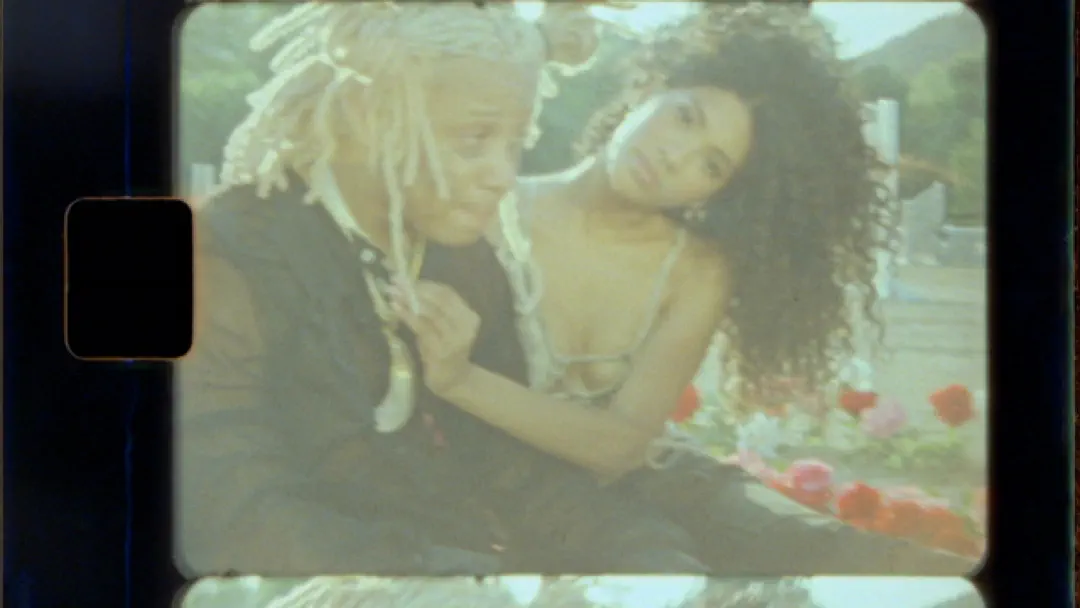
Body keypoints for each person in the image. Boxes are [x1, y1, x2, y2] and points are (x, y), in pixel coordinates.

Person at [389, 4, 977, 575]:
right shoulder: (484, 211)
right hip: (525, 495)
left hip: (659, 475)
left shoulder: (696, 269)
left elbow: (621, 448)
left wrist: (462, 379)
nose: (674, 155)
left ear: (719, 193)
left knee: (866, 558)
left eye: (711, 165)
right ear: (651, 88)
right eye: (685, 117)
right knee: (663, 571)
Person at [176, 0, 707, 578]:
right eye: (474, 139)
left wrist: (648, 556)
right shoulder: (228, 255)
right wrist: (458, 580)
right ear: (368, 113)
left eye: (514, 144)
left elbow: (516, 474)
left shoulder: (463, 261)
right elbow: (235, 513)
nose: (503, 175)